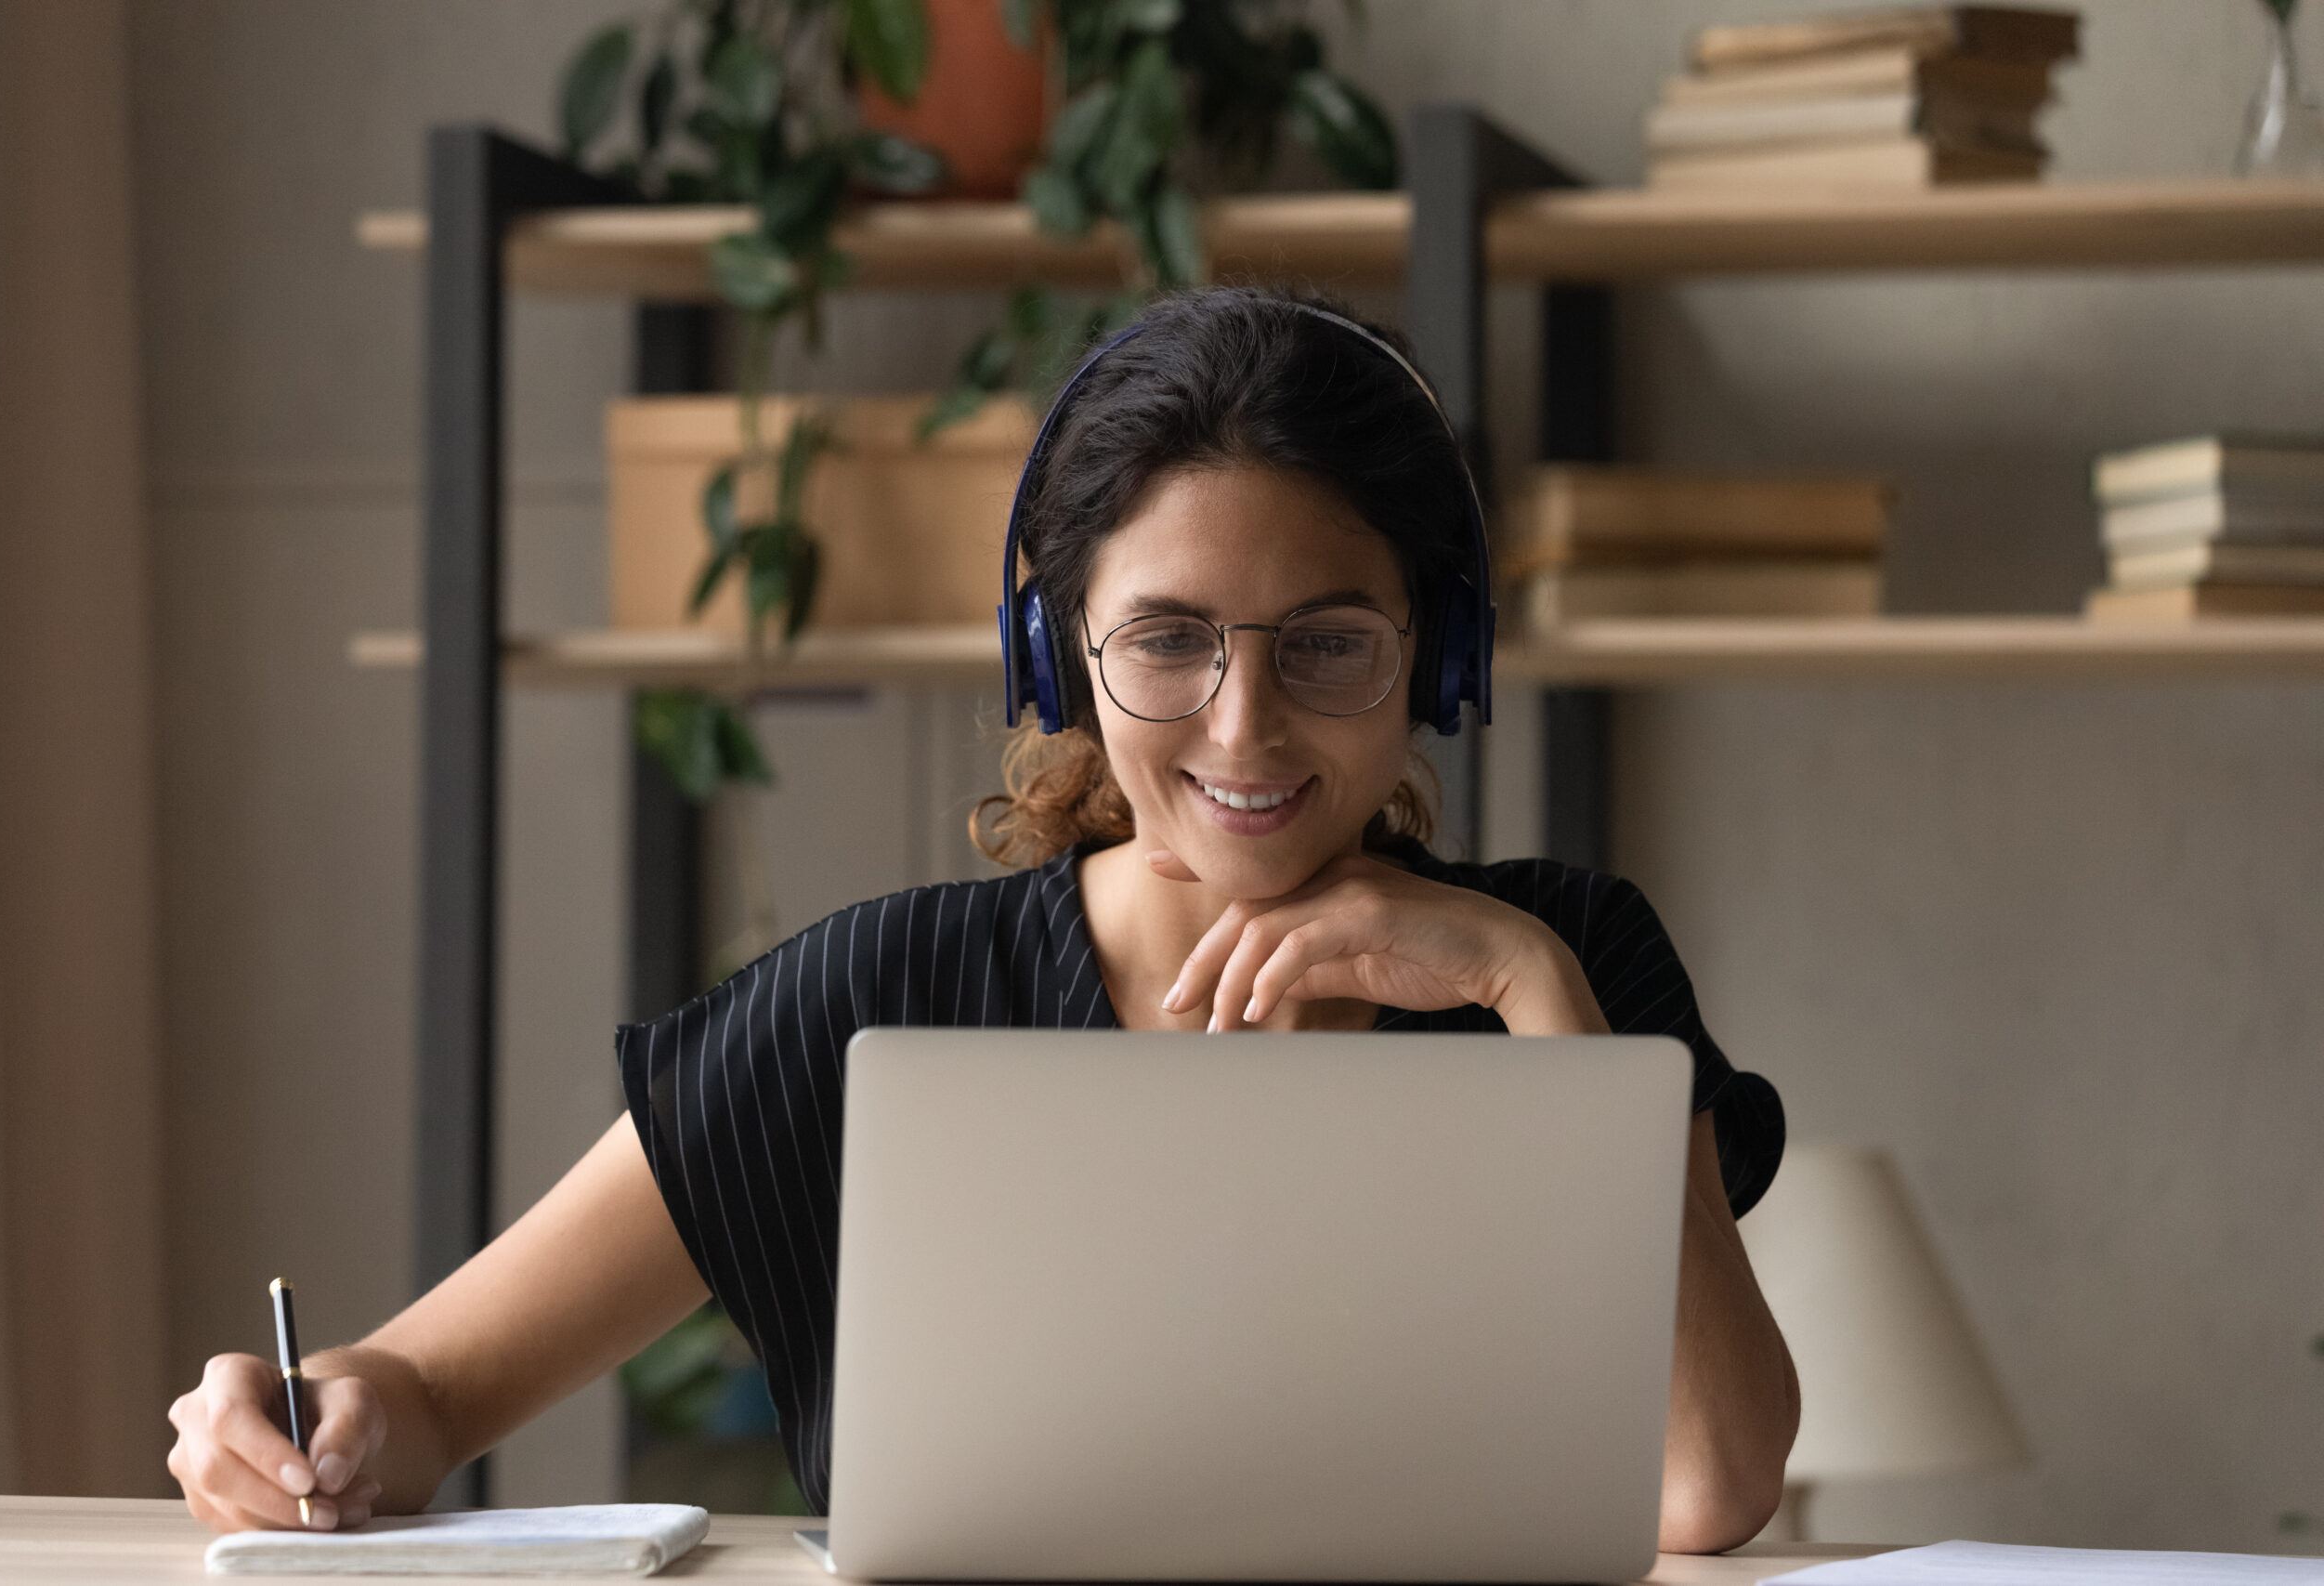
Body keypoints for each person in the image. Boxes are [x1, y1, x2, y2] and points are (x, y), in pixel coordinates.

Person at [167, 287, 1799, 1553]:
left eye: (1327, 643)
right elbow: (429, 1390)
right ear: (1057, 662)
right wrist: (301, 1419)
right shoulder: (886, 997)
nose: (1243, 730)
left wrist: (1529, 985)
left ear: (1437, 663)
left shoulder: (1574, 962)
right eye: (1165, 640)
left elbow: (1713, 1483)